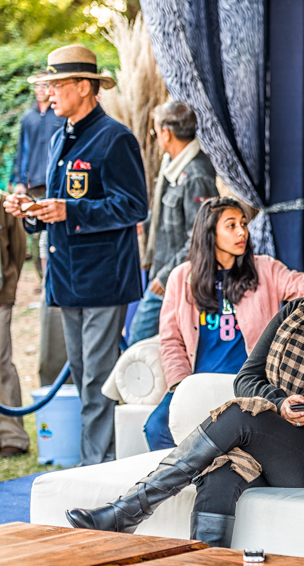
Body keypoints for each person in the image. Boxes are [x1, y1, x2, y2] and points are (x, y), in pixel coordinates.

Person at [65, 225, 304, 547]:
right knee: (222, 469)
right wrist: (281, 402)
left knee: (241, 417)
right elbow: (247, 379)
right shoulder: (297, 313)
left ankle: (130, 509)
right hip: (285, 443)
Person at [4, 44, 148, 466]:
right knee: (86, 379)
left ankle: (97, 468)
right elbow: (57, 206)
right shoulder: (57, 137)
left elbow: (134, 206)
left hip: (103, 278)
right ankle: (95, 463)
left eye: (56, 83)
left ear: (84, 87)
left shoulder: (115, 138)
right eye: (47, 84)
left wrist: (71, 209)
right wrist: (29, 213)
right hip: (66, 277)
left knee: (98, 382)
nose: (48, 91)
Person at [144, 197, 304, 450]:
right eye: (231, 225)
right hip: (197, 383)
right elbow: (171, 340)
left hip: (245, 382)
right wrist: (180, 387)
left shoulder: (265, 269)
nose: (241, 232)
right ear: (210, 232)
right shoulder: (181, 277)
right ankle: (183, 487)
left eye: (243, 224)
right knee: (157, 428)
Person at [129, 101, 218, 345]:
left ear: (166, 133)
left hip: (175, 277)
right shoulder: (173, 165)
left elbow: (199, 236)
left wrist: (166, 276)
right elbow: (173, 215)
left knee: (138, 339)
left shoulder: (196, 175)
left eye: (155, 131)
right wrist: (146, 225)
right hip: (163, 269)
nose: (156, 137)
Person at [12, 72, 67, 387]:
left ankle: (48, 274)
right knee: (34, 237)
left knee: (49, 234)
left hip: (53, 185)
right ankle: (39, 273)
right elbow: (22, 148)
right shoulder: (30, 117)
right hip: (32, 183)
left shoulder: (59, 119)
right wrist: (20, 179)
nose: (45, 91)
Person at [0, 191, 28, 456]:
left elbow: (18, 250)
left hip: (0, 297)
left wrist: (8, 288)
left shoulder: (3, 202)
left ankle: (13, 436)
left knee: (1, 363)